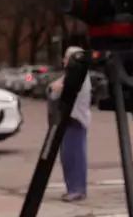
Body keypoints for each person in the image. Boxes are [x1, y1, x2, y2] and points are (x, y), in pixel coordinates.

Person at [48, 46, 91, 202]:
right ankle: (72, 187)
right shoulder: (70, 75)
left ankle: (77, 189)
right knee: (67, 156)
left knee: (74, 156)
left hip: (75, 120)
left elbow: (58, 91)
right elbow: (54, 89)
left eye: (67, 58)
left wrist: (56, 89)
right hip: (68, 120)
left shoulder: (78, 75)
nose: (64, 61)